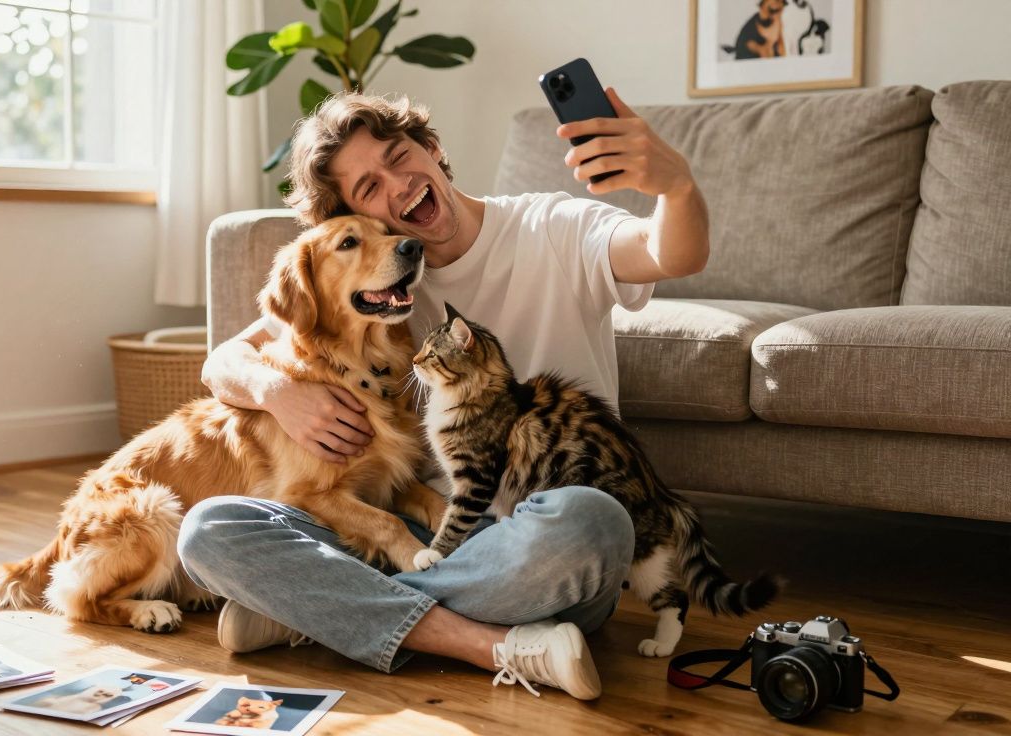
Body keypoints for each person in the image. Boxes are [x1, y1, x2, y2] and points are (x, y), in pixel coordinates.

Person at [177, 89, 709, 700]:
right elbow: (223, 361)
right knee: (208, 529)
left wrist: (676, 186)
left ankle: (317, 609)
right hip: (423, 532)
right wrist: (275, 391)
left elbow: (672, 252)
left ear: (432, 149)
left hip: (535, 545)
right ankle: (491, 644)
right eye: (369, 188)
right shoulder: (378, 285)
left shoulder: (552, 228)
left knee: (594, 518)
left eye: (400, 157)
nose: (397, 186)